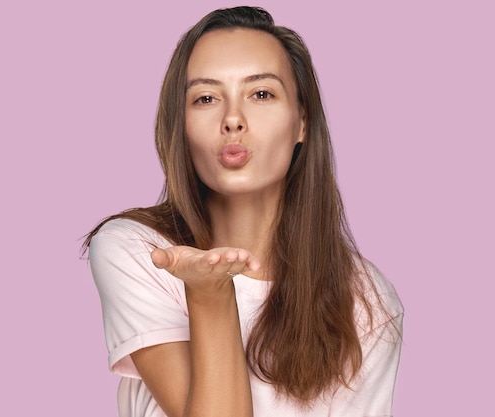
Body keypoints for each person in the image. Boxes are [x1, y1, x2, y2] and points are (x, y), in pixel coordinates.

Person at [84, 6, 403, 417]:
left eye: (262, 94)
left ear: (302, 121)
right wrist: (208, 296)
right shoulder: (138, 251)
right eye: (206, 98)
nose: (233, 119)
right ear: (180, 125)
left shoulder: (367, 300)